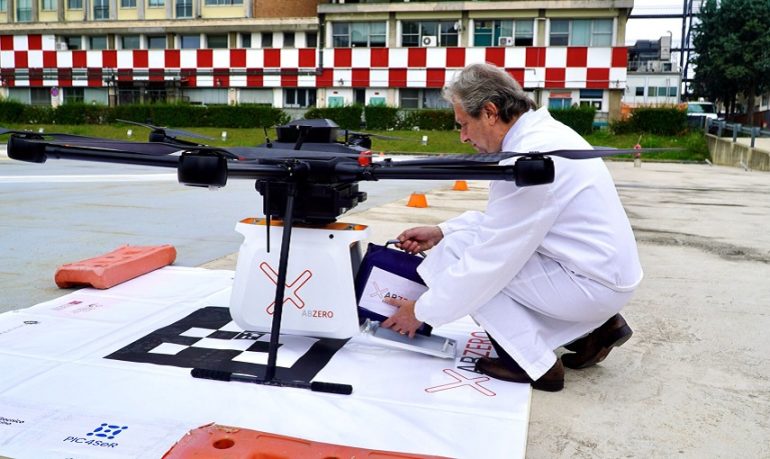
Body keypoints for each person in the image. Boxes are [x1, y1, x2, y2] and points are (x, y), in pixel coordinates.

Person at [381, 63, 641, 392]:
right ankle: (598, 330)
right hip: (602, 273)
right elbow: (507, 225)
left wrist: (419, 311)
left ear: (490, 112)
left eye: (464, 124)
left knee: (461, 258)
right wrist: (443, 229)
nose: (462, 137)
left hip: (590, 283)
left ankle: (534, 362)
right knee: (461, 242)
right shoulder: (544, 134)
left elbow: (489, 260)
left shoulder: (525, 156)